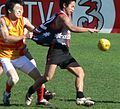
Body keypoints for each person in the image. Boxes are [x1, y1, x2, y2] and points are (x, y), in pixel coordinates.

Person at [25, 0, 99, 106]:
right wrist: (88, 29)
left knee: (80, 73)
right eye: (72, 6)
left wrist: (67, 44)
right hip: (55, 51)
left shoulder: (65, 16)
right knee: (47, 77)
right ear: (64, 5)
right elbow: (72, 28)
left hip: (64, 52)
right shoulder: (61, 16)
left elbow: (67, 33)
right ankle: (30, 92)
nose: (73, 9)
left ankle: (80, 97)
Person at [0, 0, 55, 106]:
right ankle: (7, 93)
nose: (20, 11)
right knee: (14, 79)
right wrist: (24, 36)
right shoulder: (3, 21)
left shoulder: (24, 20)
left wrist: (50, 35)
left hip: (20, 56)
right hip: (5, 56)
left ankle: (40, 99)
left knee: (39, 78)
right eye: (18, 9)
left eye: (21, 9)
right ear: (9, 10)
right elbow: (6, 38)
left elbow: (36, 31)